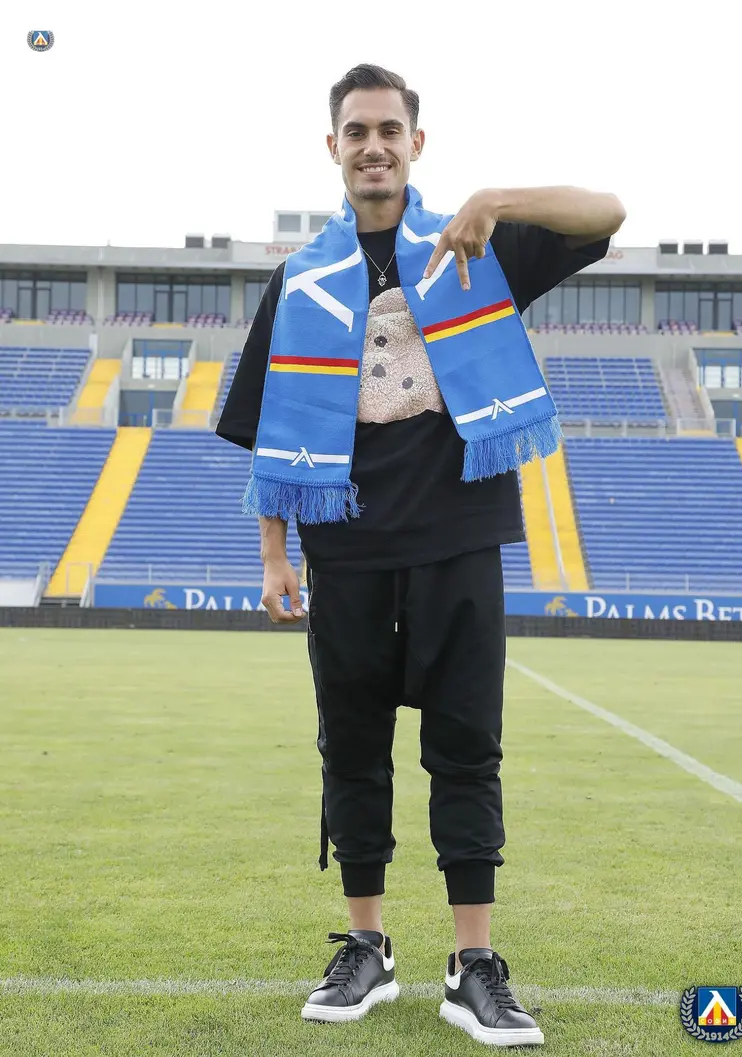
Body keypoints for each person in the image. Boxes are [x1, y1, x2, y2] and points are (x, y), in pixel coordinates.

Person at [217, 63, 625, 1048]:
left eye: (389, 130)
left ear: (415, 143)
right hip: (345, 545)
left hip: (459, 536)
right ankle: (367, 946)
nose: (374, 146)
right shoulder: (301, 279)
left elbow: (607, 211)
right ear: (334, 148)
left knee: (467, 747)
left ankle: (472, 963)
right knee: (352, 750)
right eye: (356, 131)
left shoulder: (473, 246)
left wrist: (497, 200)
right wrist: (274, 556)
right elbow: (267, 428)